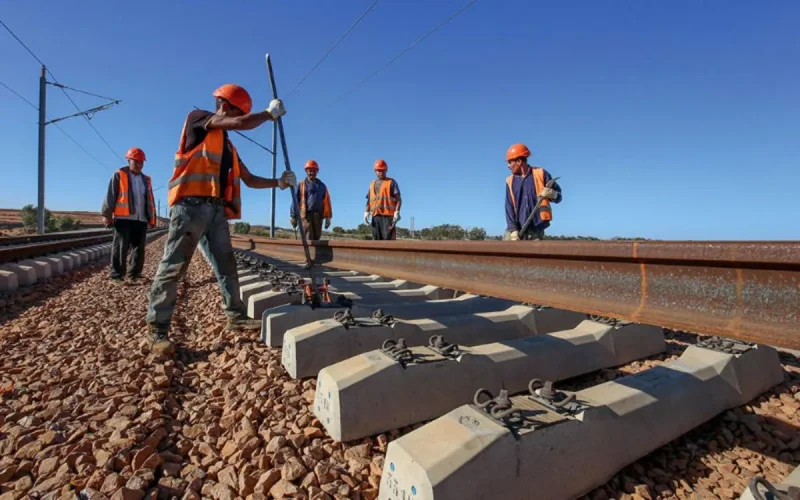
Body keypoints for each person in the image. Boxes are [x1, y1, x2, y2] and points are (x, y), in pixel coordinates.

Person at [145, 83, 296, 355]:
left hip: (215, 211)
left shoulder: (228, 147)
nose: (234, 120)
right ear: (224, 106)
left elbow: (249, 180)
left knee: (227, 266)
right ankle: (157, 331)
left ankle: (235, 316)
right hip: (188, 207)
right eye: (235, 113)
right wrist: (268, 114)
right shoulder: (198, 119)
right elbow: (241, 122)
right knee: (173, 267)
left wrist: (279, 183)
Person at [101, 147, 156, 284]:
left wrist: (151, 217)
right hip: (123, 218)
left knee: (139, 248)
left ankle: (135, 275)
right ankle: (116, 276)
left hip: (141, 218)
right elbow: (110, 196)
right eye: (136, 161)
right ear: (129, 160)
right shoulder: (119, 175)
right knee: (120, 247)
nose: (139, 164)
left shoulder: (146, 180)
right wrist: (107, 215)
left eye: (141, 162)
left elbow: (149, 199)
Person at [504, 143, 562, 240]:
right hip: (516, 232)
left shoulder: (541, 174)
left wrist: (553, 194)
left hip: (536, 231)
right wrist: (513, 230)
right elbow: (508, 208)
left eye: (510, 162)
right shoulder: (510, 181)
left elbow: (559, 197)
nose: (508, 166)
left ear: (518, 161)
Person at [290, 160, 332, 240]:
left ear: (317, 171)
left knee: (317, 237)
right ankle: (308, 252)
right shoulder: (301, 184)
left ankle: (316, 252)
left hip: (318, 216)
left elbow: (327, 202)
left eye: (313, 171)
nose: (311, 173)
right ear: (306, 171)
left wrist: (328, 218)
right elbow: (295, 201)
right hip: (306, 216)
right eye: (309, 171)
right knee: (308, 237)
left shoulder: (322, 186)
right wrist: (293, 216)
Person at [364, 159, 402, 240]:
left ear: (386, 170)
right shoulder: (371, 184)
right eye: (378, 170)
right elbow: (369, 200)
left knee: (388, 241)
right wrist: (366, 212)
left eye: (382, 170)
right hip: (375, 217)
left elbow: (398, 199)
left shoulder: (391, 182)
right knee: (376, 241)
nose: (380, 172)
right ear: (375, 171)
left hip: (388, 218)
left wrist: (397, 212)